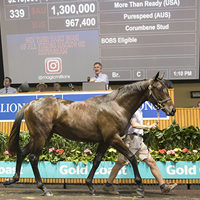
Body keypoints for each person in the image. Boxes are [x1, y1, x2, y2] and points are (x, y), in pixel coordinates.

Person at [103, 108, 177, 195]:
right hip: (132, 139)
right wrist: (148, 127)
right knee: (121, 162)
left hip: (139, 140)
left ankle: (163, 187)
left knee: (151, 162)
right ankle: (108, 185)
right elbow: (134, 124)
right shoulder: (132, 110)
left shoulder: (138, 110)